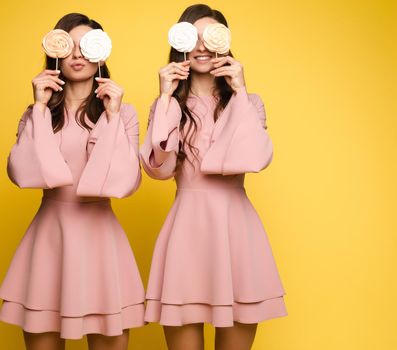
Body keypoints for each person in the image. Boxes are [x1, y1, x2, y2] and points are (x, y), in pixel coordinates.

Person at [140, 4, 287, 350]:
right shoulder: (166, 104)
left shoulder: (249, 102)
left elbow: (254, 158)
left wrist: (239, 91)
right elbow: (157, 170)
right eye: (193, 37)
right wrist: (164, 98)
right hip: (186, 233)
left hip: (236, 231)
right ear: (180, 43)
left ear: (225, 43)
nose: (202, 47)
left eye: (211, 37)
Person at [0, 13, 145, 350]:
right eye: (69, 47)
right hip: (50, 240)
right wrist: (38, 107)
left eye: (86, 47)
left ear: (102, 54)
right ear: (55, 51)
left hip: (102, 242)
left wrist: (111, 115)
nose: (77, 55)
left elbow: (125, 182)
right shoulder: (37, 112)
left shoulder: (124, 113)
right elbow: (22, 173)